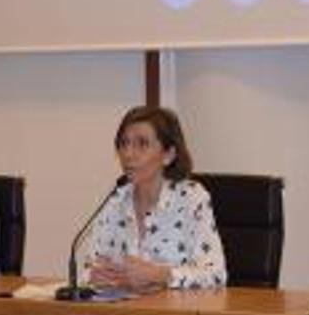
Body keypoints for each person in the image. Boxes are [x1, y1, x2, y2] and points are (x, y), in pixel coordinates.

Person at [79, 106, 226, 291]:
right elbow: (87, 270)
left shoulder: (191, 198)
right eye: (124, 143)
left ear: (168, 155)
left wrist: (159, 275)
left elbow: (216, 275)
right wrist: (94, 276)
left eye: (142, 144)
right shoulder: (116, 199)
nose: (128, 154)